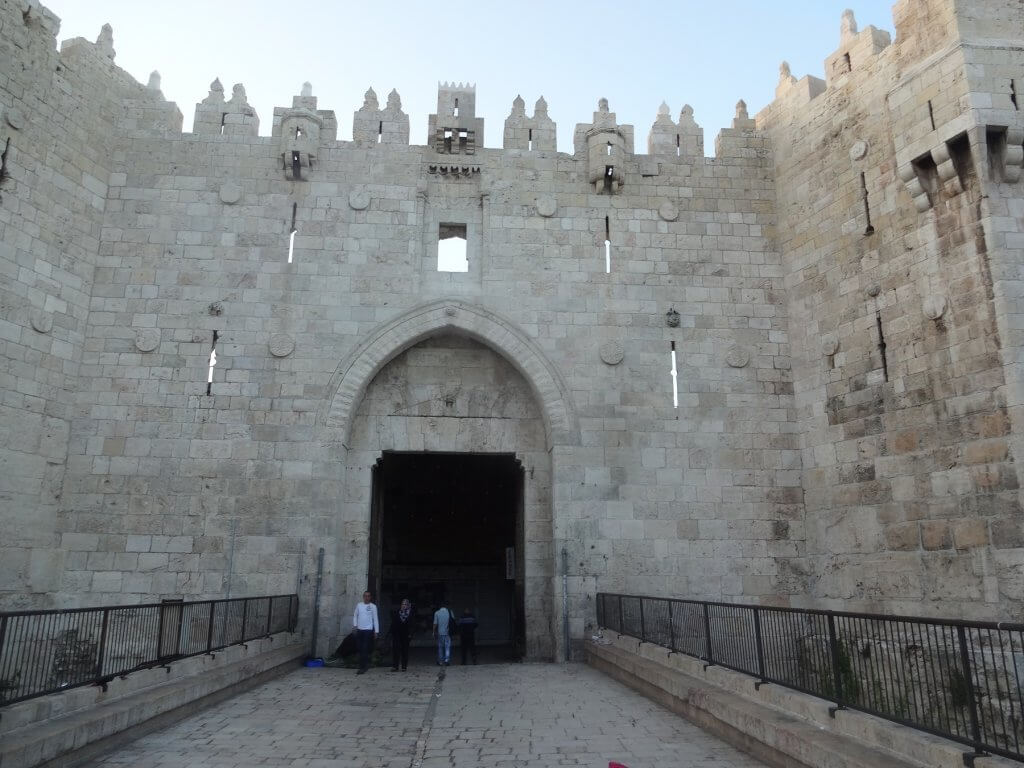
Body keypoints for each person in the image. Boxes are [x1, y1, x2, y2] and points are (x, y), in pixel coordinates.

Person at [352, 590, 379, 674]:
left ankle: (362, 667)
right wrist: (355, 625)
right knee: (359, 648)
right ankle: (365, 663)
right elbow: (355, 615)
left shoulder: (373, 607)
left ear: (370, 597)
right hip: (360, 630)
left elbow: (375, 619)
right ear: (363, 597)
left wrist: (376, 631)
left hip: (368, 630)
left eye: (368, 596)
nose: (367, 598)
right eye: (365, 596)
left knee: (364, 648)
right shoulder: (359, 605)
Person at [390, 598, 414, 672]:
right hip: (397, 634)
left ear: (408, 605)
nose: (404, 606)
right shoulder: (397, 612)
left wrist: (410, 634)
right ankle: (395, 666)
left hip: (406, 635)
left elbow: (412, 625)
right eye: (402, 604)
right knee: (396, 649)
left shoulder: (410, 614)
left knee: (405, 650)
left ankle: (404, 666)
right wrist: (392, 633)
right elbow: (393, 623)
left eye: (405, 604)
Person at [432, 602, 453, 666]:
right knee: (447, 647)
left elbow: (435, 623)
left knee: (440, 647)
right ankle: (447, 660)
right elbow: (453, 621)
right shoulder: (450, 612)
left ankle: (440, 661)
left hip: (440, 633)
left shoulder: (437, 613)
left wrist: (433, 631)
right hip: (447, 632)